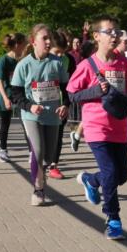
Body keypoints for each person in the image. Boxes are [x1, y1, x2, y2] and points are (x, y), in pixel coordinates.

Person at [66, 16, 127, 240]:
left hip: (119, 127)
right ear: (97, 36)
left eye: (116, 32)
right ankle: (113, 219)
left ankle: (91, 180)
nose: (114, 35)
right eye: (109, 32)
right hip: (96, 127)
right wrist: (95, 92)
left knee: (121, 176)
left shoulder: (123, 64)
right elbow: (71, 94)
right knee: (110, 173)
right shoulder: (87, 65)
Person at [10, 24, 70, 206]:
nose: (48, 41)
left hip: (52, 116)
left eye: (49, 38)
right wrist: (30, 106)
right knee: (37, 151)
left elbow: (66, 89)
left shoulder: (57, 63)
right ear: (33, 41)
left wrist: (65, 104)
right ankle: (38, 189)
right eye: (44, 38)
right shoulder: (24, 65)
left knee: (49, 156)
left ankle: (42, 178)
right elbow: (16, 94)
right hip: (31, 116)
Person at [45, 32, 75, 179]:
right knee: (41, 137)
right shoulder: (39, 60)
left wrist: (66, 104)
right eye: (57, 52)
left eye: (63, 53)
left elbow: (71, 85)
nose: (60, 56)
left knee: (58, 135)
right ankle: (39, 160)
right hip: (41, 106)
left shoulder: (68, 60)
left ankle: (53, 165)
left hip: (60, 104)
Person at [0, 33, 26, 163]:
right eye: (23, 43)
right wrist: (6, 98)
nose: (25, 46)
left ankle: (32, 151)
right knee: (5, 123)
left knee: (26, 123)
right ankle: (3, 150)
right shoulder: (3, 61)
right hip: (6, 94)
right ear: (17, 45)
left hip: (19, 95)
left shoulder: (22, 60)